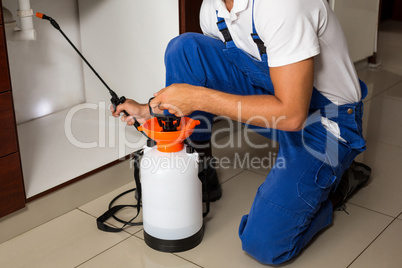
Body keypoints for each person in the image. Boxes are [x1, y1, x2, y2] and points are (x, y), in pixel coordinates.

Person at [112, 0, 371, 265]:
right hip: (273, 99)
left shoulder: (283, 6)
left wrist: (201, 99)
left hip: (325, 122)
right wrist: (150, 111)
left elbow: (293, 115)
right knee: (186, 50)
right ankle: (199, 171)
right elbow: (213, 73)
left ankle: (336, 186)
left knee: (264, 245)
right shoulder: (213, 8)